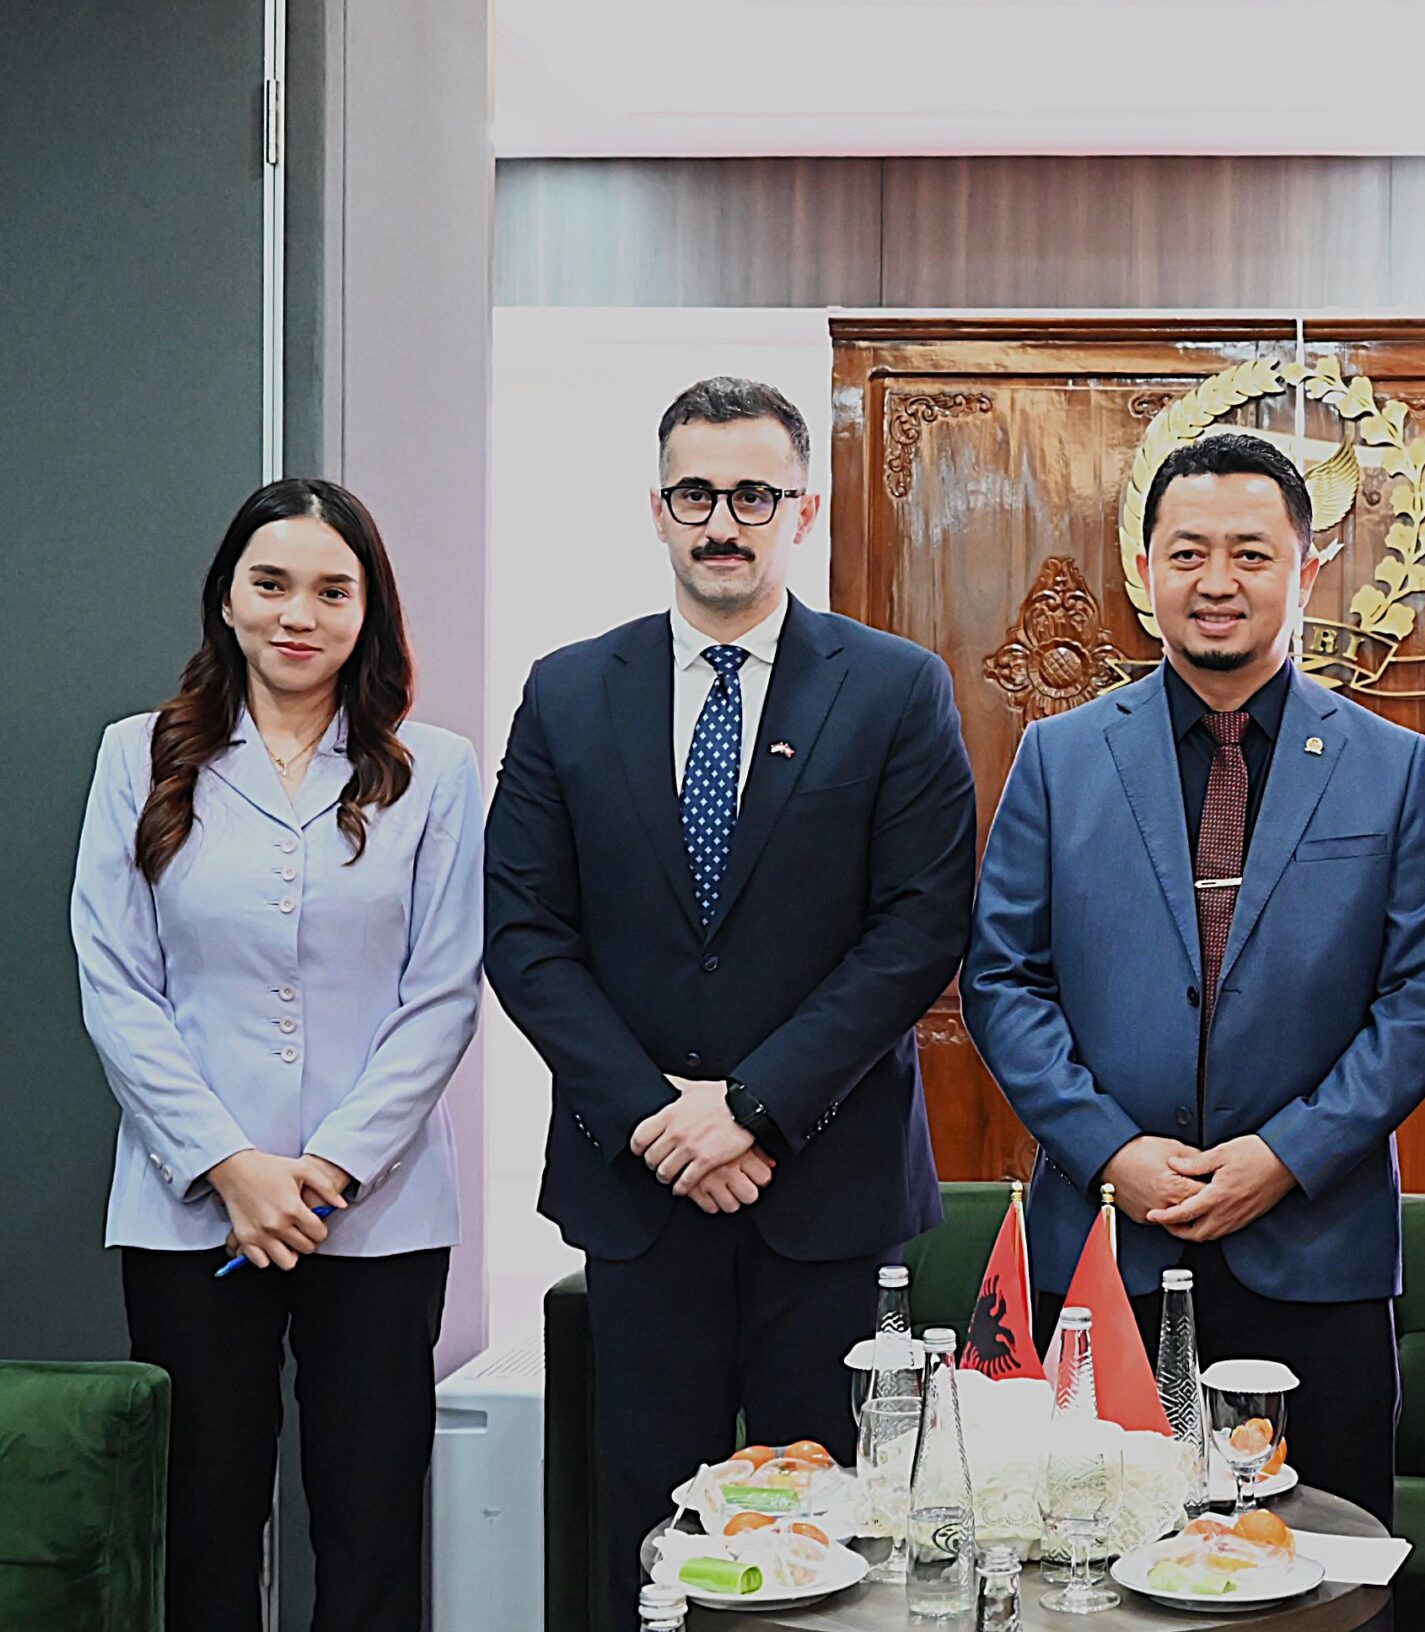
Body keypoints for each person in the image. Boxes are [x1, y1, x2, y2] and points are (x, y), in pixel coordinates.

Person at [483, 376, 977, 1612]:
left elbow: (920, 929)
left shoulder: (894, 687)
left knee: (838, 1542)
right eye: (695, 493)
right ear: (655, 509)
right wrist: (660, 1118)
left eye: (753, 495)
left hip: (830, 1193)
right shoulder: (567, 691)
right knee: (650, 1541)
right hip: (639, 1191)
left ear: (801, 511)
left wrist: (751, 1108)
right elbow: (525, 933)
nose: (722, 522)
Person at [964, 432, 1425, 1527]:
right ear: (1144, 569)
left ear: (1307, 568)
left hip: (1317, 1253)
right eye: (1188, 553)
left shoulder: (1391, 766)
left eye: (1251, 552)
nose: (1217, 581)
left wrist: (1287, 1155)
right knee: (1093, 1557)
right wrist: (1112, 1153)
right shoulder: (1058, 758)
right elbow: (1003, 980)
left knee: (1320, 1560)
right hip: (1107, 1249)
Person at [72, 478, 480, 1632]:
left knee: (371, 1522)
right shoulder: (138, 755)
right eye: (271, 584)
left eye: (331, 591)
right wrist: (231, 1166)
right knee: (204, 1517)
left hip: (378, 1208)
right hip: (191, 1206)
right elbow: (117, 985)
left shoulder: (435, 769)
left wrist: (331, 1165)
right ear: (227, 598)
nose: (299, 614)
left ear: (368, 609)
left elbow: (443, 990)